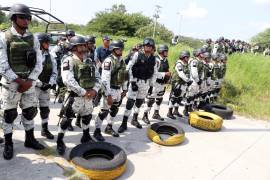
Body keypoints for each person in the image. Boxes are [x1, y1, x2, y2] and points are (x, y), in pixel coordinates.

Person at [0, 3, 45, 160]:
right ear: (13, 18)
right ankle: (9, 143)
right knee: (9, 114)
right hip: (11, 84)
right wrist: (19, 80)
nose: (26, 20)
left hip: (29, 83)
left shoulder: (33, 38)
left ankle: (30, 139)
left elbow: (39, 62)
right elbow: (2, 64)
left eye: (28, 17)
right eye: (22, 17)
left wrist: (30, 80)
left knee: (30, 112)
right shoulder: (3, 37)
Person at [56, 36, 101, 155]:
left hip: (89, 96)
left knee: (87, 116)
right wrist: (83, 92)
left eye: (84, 45)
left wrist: (95, 90)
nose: (84, 47)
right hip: (74, 96)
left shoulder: (89, 61)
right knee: (67, 119)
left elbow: (98, 77)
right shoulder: (68, 60)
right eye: (81, 45)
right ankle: (60, 141)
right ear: (74, 47)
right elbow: (68, 80)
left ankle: (85, 136)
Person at [118, 37, 158, 133]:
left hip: (145, 83)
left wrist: (151, 85)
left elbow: (155, 73)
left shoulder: (154, 59)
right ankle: (123, 123)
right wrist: (132, 81)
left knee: (139, 102)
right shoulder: (137, 54)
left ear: (152, 48)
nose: (148, 48)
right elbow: (129, 67)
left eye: (150, 46)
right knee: (130, 102)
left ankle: (134, 119)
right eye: (146, 46)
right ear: (143, 46)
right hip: (135, 81)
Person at [93, 40, 128, 141]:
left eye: (121, 48)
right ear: (113, 49)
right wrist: (108, 95)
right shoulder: (108, 61)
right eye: (118, 49)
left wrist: (124, 90)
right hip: (110, 90)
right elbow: (105, 80)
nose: (120, 50)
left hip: (118, 90)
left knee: (114, 110)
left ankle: (109, 127)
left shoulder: (121, 60)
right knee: (104, 111)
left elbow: (124, 76)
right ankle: (97, 130)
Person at [35, 32, 57, 139]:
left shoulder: (51, 56)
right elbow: (29, 72)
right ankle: (29, 134)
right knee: (30, 110)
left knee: (45, 109)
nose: (48, 44)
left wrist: (50, 83)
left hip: (46, 87)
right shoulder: (32, 54)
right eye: (46, 42)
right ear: (39, 43)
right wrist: (39, 83)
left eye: (48, 42)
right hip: (34, 87)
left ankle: (45, 129)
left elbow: (54, 72)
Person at [142, 44, 171, 123]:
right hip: (155, 83)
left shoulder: (165, 60)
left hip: (162, 84)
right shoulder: (155, 60)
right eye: (166, 51)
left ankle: (156, 113)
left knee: (159, 99)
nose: (167, 52)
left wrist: (168, 78)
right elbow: (153, 73)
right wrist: (165, 74)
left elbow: (167, 70)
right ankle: (145, 115)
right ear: (161, 51)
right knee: (151, 100)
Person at [168, 51, 192, 118]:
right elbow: (181, 74)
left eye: (188, 57)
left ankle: (176, 110)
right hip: (177, 83)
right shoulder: (179, 64)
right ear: (183, 57)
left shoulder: (186, 64)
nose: (188, 58)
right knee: (174, 98)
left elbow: (188, 73)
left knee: (179, 98)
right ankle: (169, 112)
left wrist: (188, 81)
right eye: (187, 57)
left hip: (183, 83)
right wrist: (188, 80)